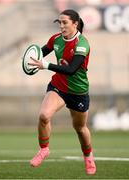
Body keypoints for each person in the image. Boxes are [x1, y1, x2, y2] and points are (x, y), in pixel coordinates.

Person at [28, 9, 96, 175]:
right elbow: (39, 54)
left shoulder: (82, 44)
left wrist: (47, 65)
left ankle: (88, 156)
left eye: (65, 22)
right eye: (59, 22)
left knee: (80, 128)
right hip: (58, 86)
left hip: (78, 91)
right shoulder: (56, 40)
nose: (62, 26)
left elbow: (72, 69)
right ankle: (44, 149)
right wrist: (28, 60)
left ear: (75, 23)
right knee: (44, 116)